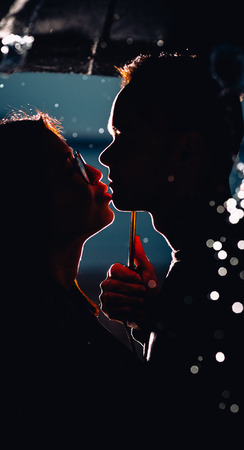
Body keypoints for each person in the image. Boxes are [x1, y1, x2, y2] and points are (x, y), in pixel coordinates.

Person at [0, 112, 145, 449]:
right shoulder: (24, 338)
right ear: (23, 206)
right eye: (72, 170)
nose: (95, 171)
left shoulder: (37, 312)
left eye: (78, 159)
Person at [99, 53, 244, 444]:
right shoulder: (215, 261)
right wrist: (153, 319)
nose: (105, 157)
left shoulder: (215, 276)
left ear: (185, 151)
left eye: (125, 139)